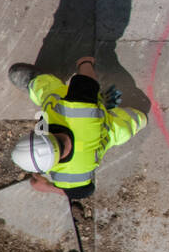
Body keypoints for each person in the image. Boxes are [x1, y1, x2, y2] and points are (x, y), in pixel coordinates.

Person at [7, 56, 146, 199]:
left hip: (99, 128)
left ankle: (33, 83)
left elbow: (82, 192)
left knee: (49, 91)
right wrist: (85, 62)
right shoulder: (78, 111)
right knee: (132, 121)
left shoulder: (69, 177)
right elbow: (87, 79)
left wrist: (49, 187)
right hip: (105, 126)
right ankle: (133, 117)